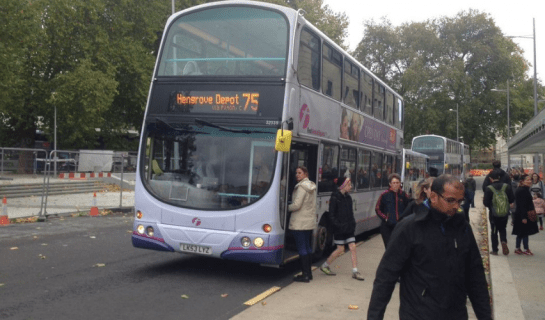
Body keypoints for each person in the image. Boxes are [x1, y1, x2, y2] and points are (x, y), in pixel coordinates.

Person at [367, 174, 492, 320]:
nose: (456, 206)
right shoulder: (409, 227)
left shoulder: (462, 227)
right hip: (418, 313)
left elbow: (475, 276)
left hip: (455, 313)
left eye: (460, 201)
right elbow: (385, 277)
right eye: (450, 200)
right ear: (433, 197)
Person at [319, 177, 365, 281]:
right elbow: (331, 215)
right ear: (343, 186)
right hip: (340, 229)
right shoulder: (335, 198)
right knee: (341, 249)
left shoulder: (348, 198)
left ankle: (355, 271)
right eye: (349, 184)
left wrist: (352, 223)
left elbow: (351, 213)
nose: (351, 186)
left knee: (353, 247)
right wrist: (338, 225)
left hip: (349, 227)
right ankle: (325, 265)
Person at [288, 167, 317, 283]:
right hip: (308, 222)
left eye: (299, 173)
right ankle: (309, 274)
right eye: (296, 173)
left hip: (299, 222)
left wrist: (285, 208)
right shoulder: (311, 186)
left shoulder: (301, 187)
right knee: (307, 247)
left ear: (306, 174)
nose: (297, 175)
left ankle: (304, 275)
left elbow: (296, 205)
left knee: (302, 248)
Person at [483, 169, 515, 256]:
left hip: (493, 214)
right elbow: (512, 199)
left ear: (491, 178)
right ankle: (503, 241)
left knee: (494, 231)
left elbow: (485, 203)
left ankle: (495, 250)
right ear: (500, 177)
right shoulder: (507, 187)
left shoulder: (489, 188)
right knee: (502, 229)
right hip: (504, 213)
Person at [375, 173, 410, 247]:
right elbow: (377, 209)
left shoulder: (403, 195)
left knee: (399, 247)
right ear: (390, 184)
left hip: (399, 226)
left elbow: (408, 208)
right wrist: (385, 218)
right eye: (394, 183)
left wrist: (405, 219)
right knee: (389, 247)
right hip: (387, 227)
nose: (396, 185)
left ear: (400, 183)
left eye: (397, 183)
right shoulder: (384, 195)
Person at [512, 174, 539, 255]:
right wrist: (524, 217)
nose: (529, 181)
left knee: (520, 232)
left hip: (520, 214)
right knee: (525, 232)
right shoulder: (522, 190)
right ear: (522, 181)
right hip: (523, 214)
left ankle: (518, 248)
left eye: (530, 180)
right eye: (527, 180)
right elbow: (522, 205)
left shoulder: (523, 189)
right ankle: (526, 249)